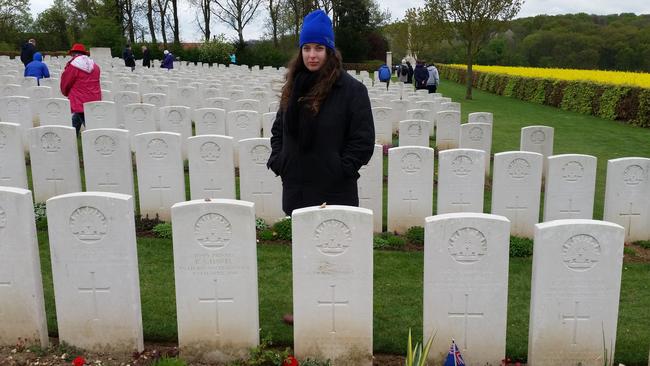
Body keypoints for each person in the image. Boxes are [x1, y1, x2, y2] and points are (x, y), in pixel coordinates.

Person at [267, 9, 375, 217]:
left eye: (319, 48)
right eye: (306, 48)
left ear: (330, 51)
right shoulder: (293, 86)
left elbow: (363, 142)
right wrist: (280, 162)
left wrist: (339, 170)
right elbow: (279, 130)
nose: (312, 55)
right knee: (301, 249)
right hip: (296, 190)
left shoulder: (352, 91)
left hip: (335, 192)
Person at [60, 43, 101, 136]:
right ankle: (72, 136)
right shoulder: (95, 66)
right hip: (94, 97)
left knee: (88, 123)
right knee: (78, 116)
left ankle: (95, 138)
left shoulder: (73, 66)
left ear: (73, 54)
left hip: (79, 99)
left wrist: (65, 92)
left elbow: (66, 81)